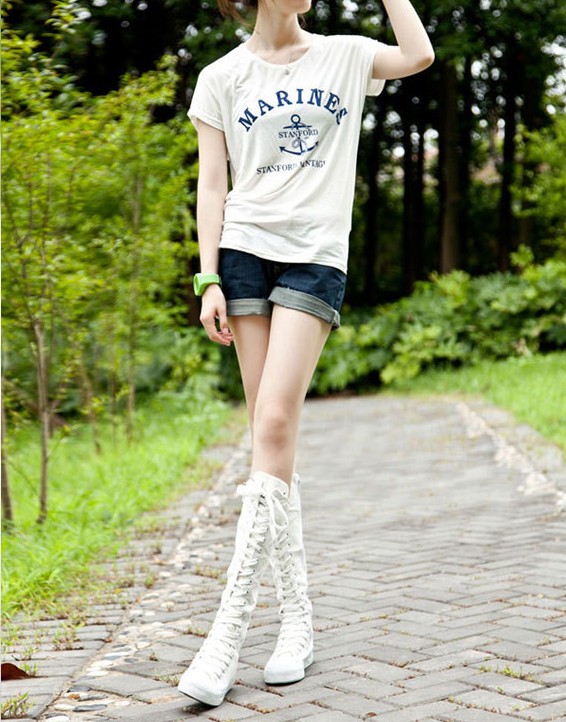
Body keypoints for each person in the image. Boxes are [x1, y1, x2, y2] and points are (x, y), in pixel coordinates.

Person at [178, 0, 434, 707]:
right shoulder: (221, 76)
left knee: (274, 423)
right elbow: (212, 183)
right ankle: (296, 622)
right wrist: (207, 278)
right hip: (242, 255)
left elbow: (418, 55)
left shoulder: (345, 54)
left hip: (314, 256)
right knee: (272, 447)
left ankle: (226, 633)